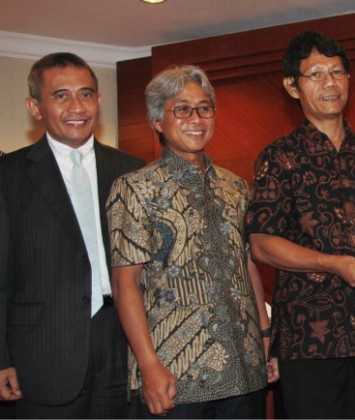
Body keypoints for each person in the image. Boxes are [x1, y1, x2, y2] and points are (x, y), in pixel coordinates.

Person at [245, 31, 355, 418]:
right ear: (292, 86)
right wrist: (332, 263)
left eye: (336, 72)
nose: (329, 83)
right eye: (315, 74)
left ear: (349, 79)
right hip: (310, 339)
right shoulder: (279, 156)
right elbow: (261, 243)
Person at [107, 65, 275, 419]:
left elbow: (246, 265)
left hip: (245, 368)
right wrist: (148, 365)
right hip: (175, 375)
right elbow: (125, 285)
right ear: (157, 121)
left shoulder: (235, 186)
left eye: (204, 108)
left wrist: (264, 335)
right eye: (182, 109)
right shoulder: (135, 188)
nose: (195, 119)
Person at [0, 52, 144, 418]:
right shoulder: (8, 175)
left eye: (86, 94)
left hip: (122, 343)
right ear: (35, 107)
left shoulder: (133, 171)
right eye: (61, 95)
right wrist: (2, 358)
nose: (77, 107)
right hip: (42, 352)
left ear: (98, 100)